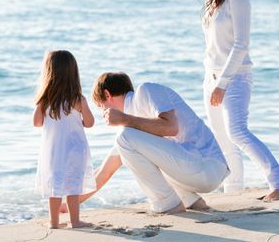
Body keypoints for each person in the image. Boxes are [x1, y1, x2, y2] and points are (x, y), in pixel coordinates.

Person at [182, 0, 279, 201]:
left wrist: (222, 83)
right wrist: (212, 81)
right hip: (211, 78)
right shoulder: (212, 1)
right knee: (223, 140)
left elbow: (241, 44)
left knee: (237, 132)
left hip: (236, 78)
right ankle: (234, 192)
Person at [85, 72, 230, 214]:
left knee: (124, 137)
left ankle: (168, 204)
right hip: (198, 172)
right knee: (127, 142)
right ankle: (190, 200)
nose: (102, 113)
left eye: (100, 107)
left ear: (107, 95)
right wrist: (68, 204)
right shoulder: (132, 130)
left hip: (208, 165)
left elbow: (171, 127)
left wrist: (124, 119)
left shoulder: (146, 90)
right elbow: (105, 171)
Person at [33, 50, 96, 228]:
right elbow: (90, 123)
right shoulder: (78, 99)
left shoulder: (45, 100)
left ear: (49, 73)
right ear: (73, 74)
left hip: (53, 150)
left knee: (55, 186)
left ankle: (54, 222)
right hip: (76, 149)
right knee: (73, 186)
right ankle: (75, 221)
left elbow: (37, 122)